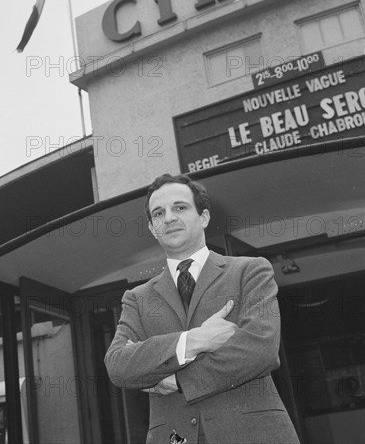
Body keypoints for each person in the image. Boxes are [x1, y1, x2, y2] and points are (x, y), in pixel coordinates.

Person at [104, 173, 300, 444]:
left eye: (180, 207)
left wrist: (179, 381)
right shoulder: (137, 298)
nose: (169, 217)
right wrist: (194, 340)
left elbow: (261, 349)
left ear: (204, 217)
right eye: (158, 213)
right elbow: (118, 366)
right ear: (152, 228)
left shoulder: (250, 271)